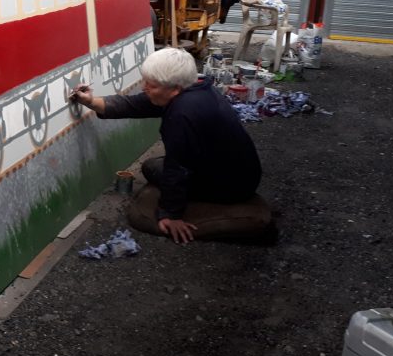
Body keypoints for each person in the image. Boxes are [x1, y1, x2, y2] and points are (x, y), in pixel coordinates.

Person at [71, 48, 262, 244]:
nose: (145, 88)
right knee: (158, 166)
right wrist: (91, 102)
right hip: (244, 174)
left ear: (175, 88)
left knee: (152, 168)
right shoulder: (199, 88)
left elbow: (178, 167)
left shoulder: (182, 114)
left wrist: (170, 215)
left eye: (151, 85)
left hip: (232, 186)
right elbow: (136, 104)